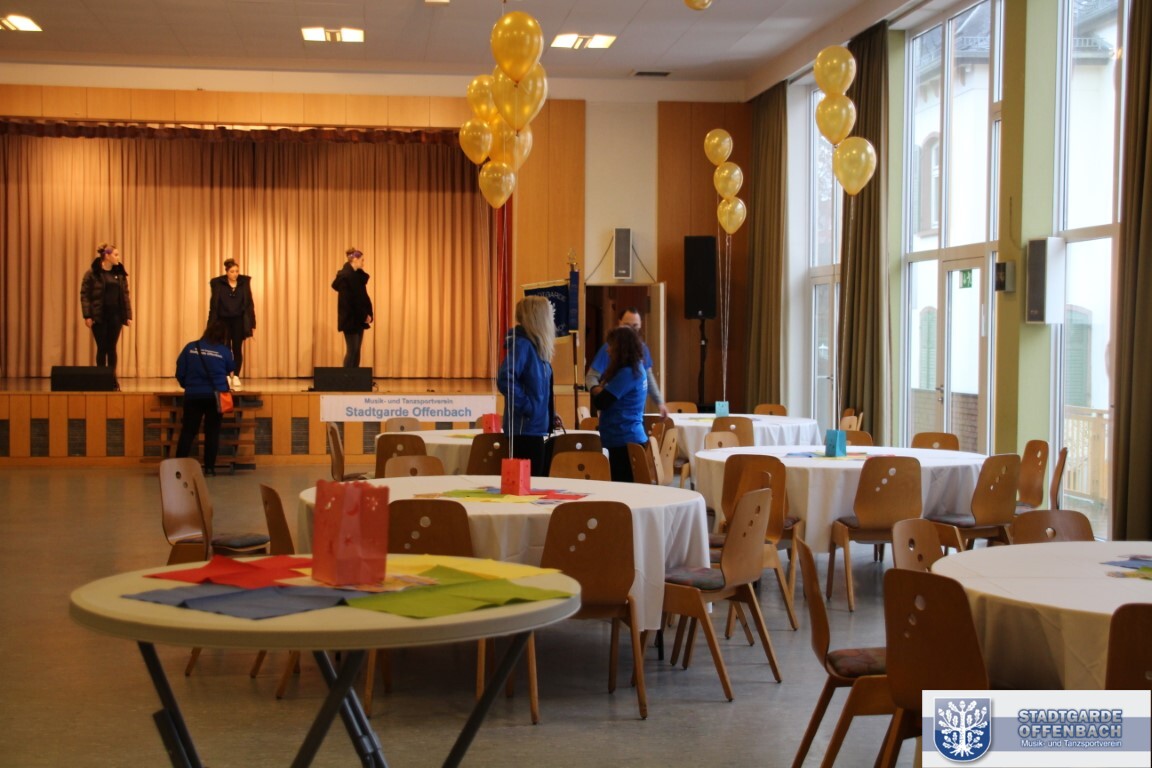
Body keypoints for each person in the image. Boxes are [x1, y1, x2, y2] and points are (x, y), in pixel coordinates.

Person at [497, 296, 557, 477]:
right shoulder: (522, 345)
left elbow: (538, 389)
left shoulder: (536, 348)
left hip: (534, 428)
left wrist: (548, 413)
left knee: (537, 481)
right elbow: (505, 378)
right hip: (524, 430)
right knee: (530, 484)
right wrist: (528, 407)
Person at [175, 320, 235, 476]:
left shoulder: (191, 347)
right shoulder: (224, 351)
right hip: (215, 396)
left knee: (188, 432)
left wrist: (188, 385)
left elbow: (180, 371)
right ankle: (209, 468)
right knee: (212, 432)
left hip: (193, 395)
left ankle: (177, 468)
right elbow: (230, 369)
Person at [589, 326, 649, 482]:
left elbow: (602, 402)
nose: (608, 350)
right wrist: (601, 390)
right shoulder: (635, 369)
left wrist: (595, 388)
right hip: (623, 438)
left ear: (621, 348)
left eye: (611, 346)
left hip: (624, 441)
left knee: (623, 489)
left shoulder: (628, 373)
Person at [586, 307, 667, 417]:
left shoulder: (628, 372)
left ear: (640, 325)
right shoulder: (609, 350)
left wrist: (660, 402)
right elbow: (591, 377)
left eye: (635, 326)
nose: (631, 331)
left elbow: (601, 402)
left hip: (623, 420)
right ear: (620, 323)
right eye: (627, 326)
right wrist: (598, 389)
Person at [80, 243, 132, 381]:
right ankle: (101, 378)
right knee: (102, 347)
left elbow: (125, 295)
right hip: (99, 316)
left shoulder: (119, 274)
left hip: (115, 316)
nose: (118, 257)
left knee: (112, 347)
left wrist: (127, 315)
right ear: (107, 256)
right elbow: (85, 295)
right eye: (116, 254)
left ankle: (112, 378)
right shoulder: (92, 273)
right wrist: (87, 315)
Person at [207, 258, 256, 390]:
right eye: (232, 271)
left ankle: (236, 376)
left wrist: (252, 323)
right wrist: (210, 324)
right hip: (223, 321)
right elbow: (214, 306)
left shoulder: (244, 283)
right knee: (225, 348)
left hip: (238, 321)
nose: (235, 274)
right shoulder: (218, 284)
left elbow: (249, 304)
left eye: (237, 271)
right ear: (227, 272)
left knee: (237, 348)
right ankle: (227, 375)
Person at [331, 247, 373, 368]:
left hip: (359, 318)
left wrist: (368, 314)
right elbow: (350, 302)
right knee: (352, 349)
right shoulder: (346, 277)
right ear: (355, 259)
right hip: (350, 319)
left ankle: (355, 377)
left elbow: (363, 297)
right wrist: (364, 315)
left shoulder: (357, 277)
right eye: (362, 260)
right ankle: (346, 377)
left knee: (357, 350)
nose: (363, 263)